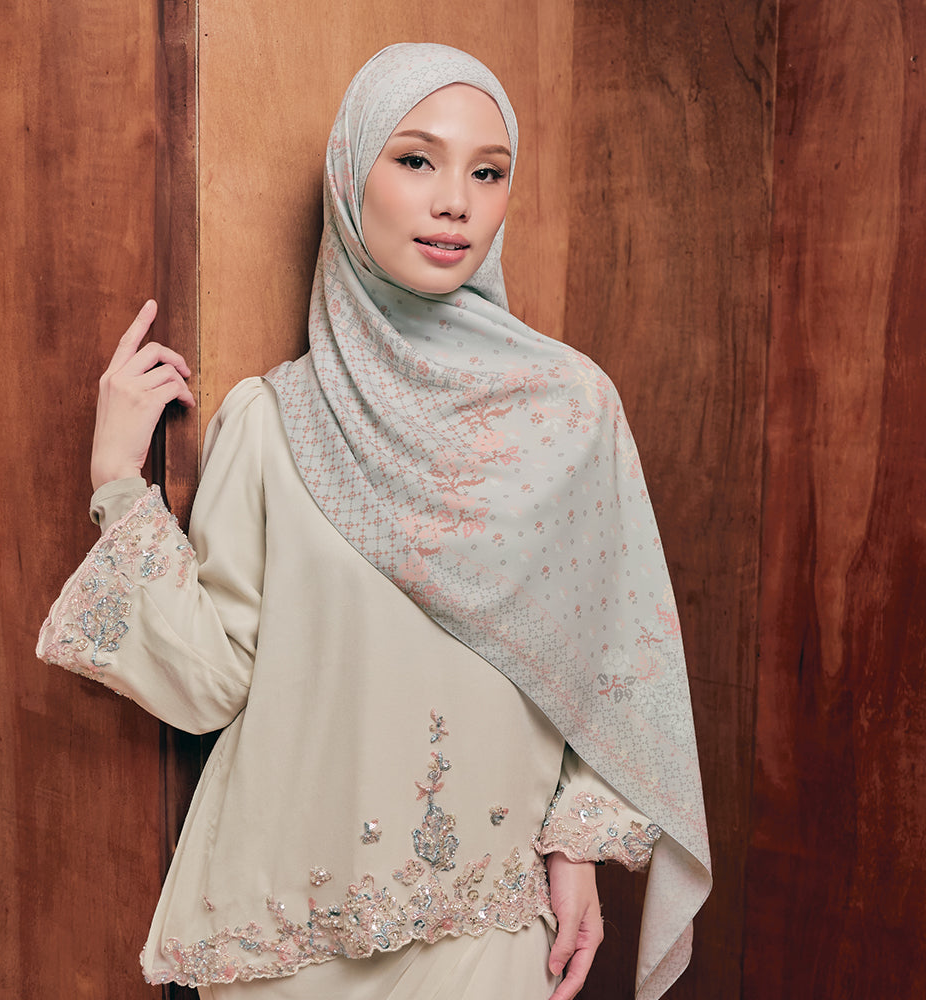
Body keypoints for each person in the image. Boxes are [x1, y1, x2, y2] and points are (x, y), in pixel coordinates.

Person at [38, 43, 710, 1000]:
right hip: (291, 945)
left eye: (488, 172)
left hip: (487, 931)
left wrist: (577, 848)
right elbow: (210, 681)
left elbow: (609, 660)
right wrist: (117, 484)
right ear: (352, 178)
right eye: (417, 159)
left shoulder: (570, 415)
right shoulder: (275, 423)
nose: (456, 201)